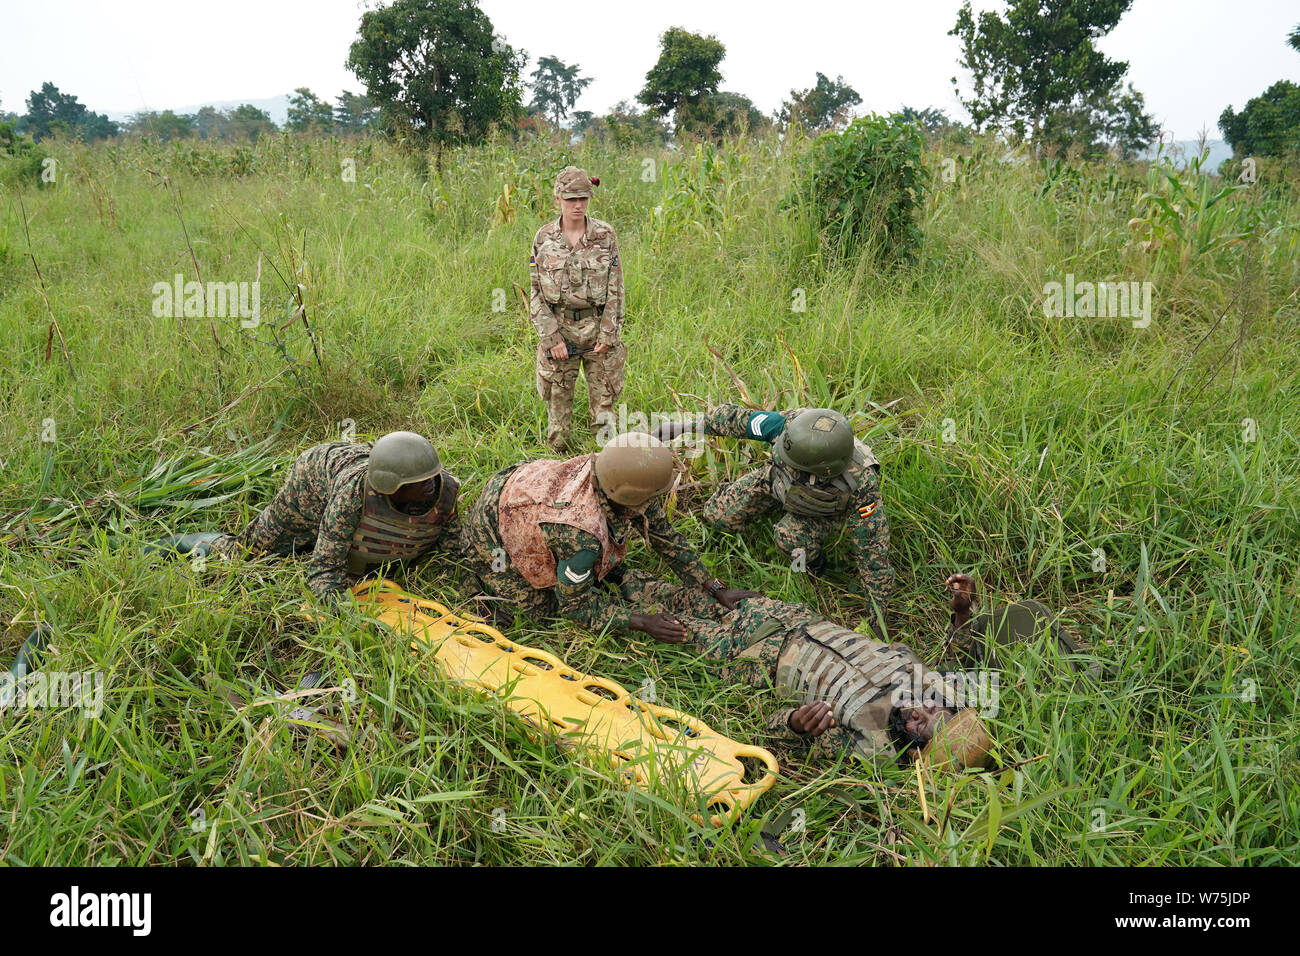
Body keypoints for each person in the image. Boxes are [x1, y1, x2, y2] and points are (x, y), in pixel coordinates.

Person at [592, 570, 1083, 771]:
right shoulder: (942, 685)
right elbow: (958, 654)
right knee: (682, 591)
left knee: (671, 624)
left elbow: (777, 737)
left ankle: (583, 598)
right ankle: (612, 568)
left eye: (920, 731)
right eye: (935, 711)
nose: (918, 714)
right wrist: (961, 612)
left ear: (915, 754)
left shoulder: (872, 748)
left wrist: (792, 723)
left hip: (754, 659)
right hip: (796, 619)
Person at [460, 432, 753, 641]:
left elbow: (665, 537)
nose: (654, 504)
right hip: (492, 532)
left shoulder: (619, 470)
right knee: (540, 613)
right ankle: (475, 578)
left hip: (524, 490)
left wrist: (714, 588)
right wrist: (641, 622)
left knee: (601, 572)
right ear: (626, 498)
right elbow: (575, 607)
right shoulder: (582, 537)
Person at [158, 432, 463, 602]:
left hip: (349, 470)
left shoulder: (445, 491)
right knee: (252, 550)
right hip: (314, 479)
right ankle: (188, 542)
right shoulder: (352, 495)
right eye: (416, 485)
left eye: (431, 479)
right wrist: (342, 609)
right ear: (388, 489)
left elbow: (451, 553)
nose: (428, 487)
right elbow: (324, 570)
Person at [657, 405, 894, 613]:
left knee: (789, 539)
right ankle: (770, 510)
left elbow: (873, 553)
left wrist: (877, 617)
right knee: (717, 515)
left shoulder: (861, 482)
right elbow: (738, 419)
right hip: (776, 483)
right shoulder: (791, 427)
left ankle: (812, 566)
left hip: (820, 511)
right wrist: (685, 426)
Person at [530, 166, 626, 453]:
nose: (578, 205)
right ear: (557, 198)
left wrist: (608, 335)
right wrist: (551, 337)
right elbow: (535, 291)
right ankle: (557, 470)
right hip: (560, 331)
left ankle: (607, 469)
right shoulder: (544, 238)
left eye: (583, 198)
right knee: (557, 417)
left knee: (605, 408)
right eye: (571, 198)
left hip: (598, 330)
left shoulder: (604, 235)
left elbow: (616, 288)